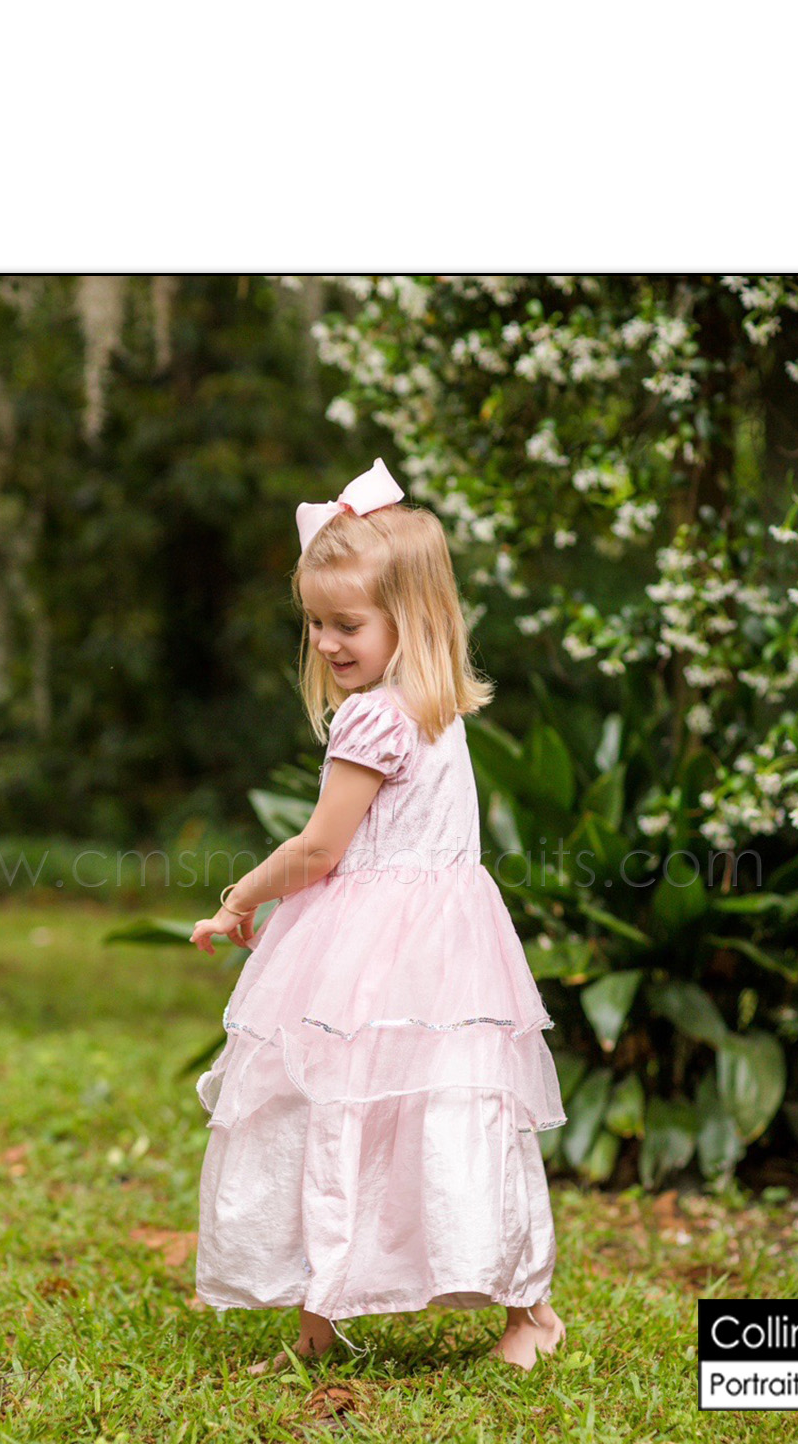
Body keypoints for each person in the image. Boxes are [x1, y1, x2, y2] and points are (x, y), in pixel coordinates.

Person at [189, 458, 569, 1371]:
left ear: (414, 616)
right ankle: (514, 1311)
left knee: (335, 1109)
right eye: (315, 623)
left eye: (347, 624)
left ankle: (340, 1320)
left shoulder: (374, 720)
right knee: (451, 1111)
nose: (325, 642)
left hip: (373, 952)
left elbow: (319, 850)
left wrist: (239, 898)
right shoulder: (436, 709)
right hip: (447, 950)